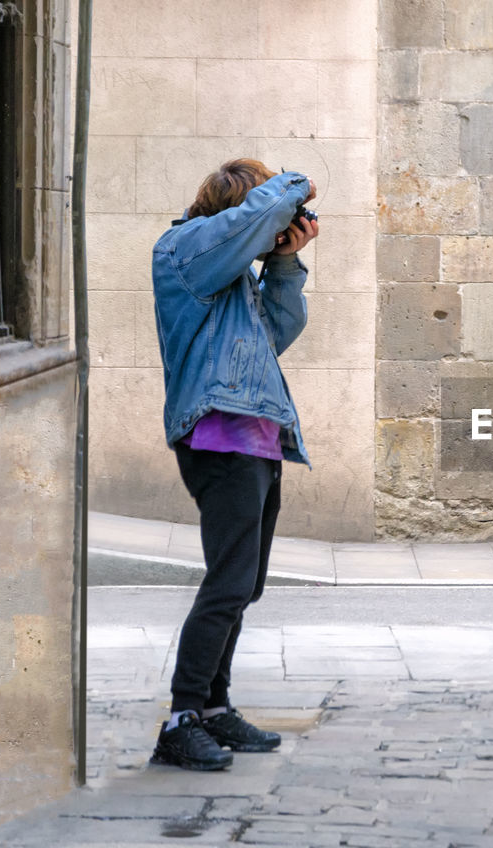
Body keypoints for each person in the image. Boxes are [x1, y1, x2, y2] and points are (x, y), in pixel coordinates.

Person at [149, 159, 319, 769]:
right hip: (219, 441)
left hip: (259, 441)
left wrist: (282, 263)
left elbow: (277, 331)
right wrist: (295, 183)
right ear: (239, 211)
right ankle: (182, 717)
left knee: (244, 584)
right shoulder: (184, 250)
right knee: (226, 585)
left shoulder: (236, 277)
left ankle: (215, 710)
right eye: (265, 216)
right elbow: (257, 215)